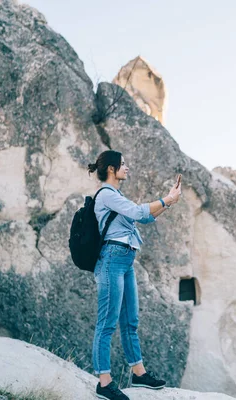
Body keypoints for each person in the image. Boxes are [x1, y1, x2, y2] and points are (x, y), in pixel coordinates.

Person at [87, 150, 182, 400]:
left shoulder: (117, 195)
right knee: (106, 322)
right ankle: (104, 383)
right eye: (123, 164)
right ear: (111, 169)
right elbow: (140, 212)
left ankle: (138, 373)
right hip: (111, 260)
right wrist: (167, 198)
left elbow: (146, 218)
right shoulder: (107, 195)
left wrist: (169, 201)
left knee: (130, 321)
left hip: (126, 259)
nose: (127, 168)